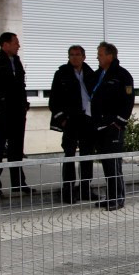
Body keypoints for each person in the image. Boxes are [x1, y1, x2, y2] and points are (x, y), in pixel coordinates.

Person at [49, 45, 98, 204]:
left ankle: (85, 189)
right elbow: (54, 100)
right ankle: (68, 191)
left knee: (87, 156)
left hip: (88, 119)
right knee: (69, 155)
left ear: (84, 57)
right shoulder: (61, 74)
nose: (74, 57)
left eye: (77, 55)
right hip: (70, 120)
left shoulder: (92, 74)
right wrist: (62, 119)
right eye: (71, 55)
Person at [0, 32, 30, 198]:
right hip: (2, 114)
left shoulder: (17, 62)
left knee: (16, 150)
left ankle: (19, 183)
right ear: (5, 44)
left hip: (17, 113)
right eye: (15, 43)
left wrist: (24, 105)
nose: (18, 46)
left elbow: (21, 86)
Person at [91, 42, 134, 211]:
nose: (98, 58)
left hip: (114, 126)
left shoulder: (122, 75)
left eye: (100, 55)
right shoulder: (99, 74)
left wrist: (119, 122)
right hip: (100, 126)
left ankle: (118, 198)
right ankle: (110, 196)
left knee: (114, 163)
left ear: (110, 56)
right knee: (106, 163)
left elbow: (128, 101)